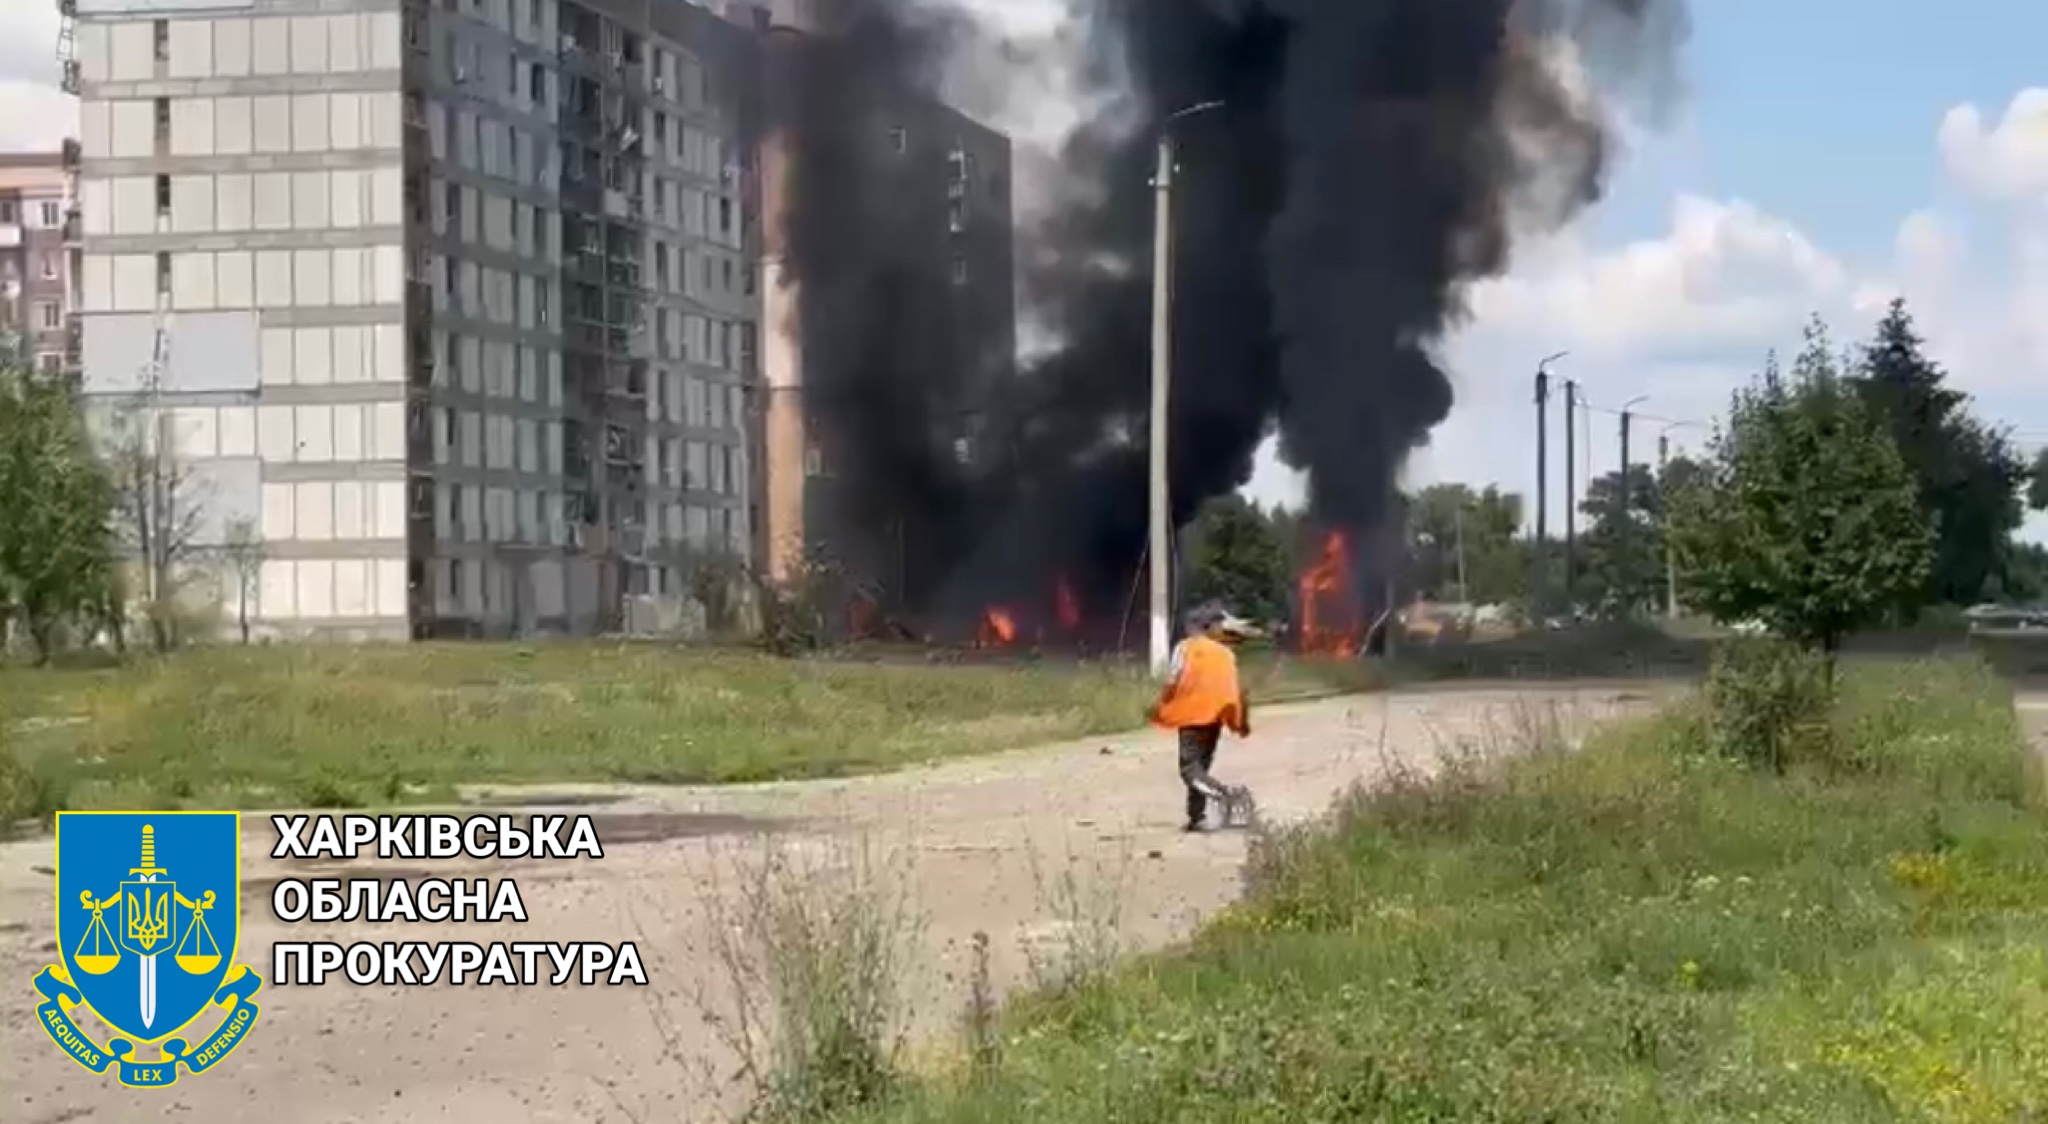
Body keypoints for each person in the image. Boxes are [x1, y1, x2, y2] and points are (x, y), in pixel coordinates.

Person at [1147, 601, 1257, 832]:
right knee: (1200, 769)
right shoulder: (1226, 653)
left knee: (1189, 769)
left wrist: (1161, 705)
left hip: (1191, 716)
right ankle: (1196, 816)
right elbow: (1237, 690)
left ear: (1195, 626)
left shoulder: (1185, 648)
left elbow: (1172, 680)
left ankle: (1223, 795)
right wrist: (1240, 722)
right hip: (1214, 718)